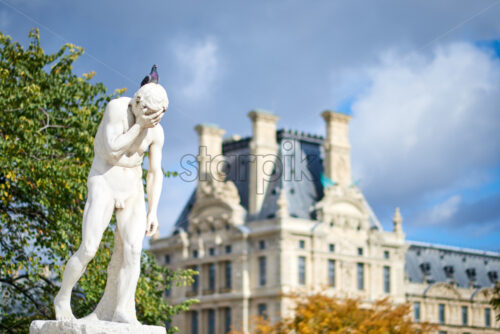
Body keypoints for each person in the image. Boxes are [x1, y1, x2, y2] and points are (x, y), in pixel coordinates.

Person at [54, 83, 168, 324]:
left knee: (134, 251)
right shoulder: (116, 109)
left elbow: (155, 173)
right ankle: (63, 297)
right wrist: (139, 126)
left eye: (161, 114)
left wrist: (153, 211)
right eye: (151, 113)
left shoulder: (156, 130)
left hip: (132, 188)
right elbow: (112, 150)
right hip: (105, 180)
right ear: (138, 104)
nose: (156, 119)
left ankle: (123, 309)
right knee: (88, 248)